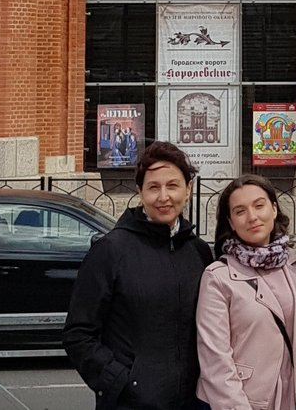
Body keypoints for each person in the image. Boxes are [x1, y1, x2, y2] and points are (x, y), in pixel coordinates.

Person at [64, 141, 213, 409]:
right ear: (140, 192)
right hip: (131, 403)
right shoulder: (111, 250)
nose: (163, 197)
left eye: (173, 185)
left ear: (188, 189)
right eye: (153, 187)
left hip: (193, 401)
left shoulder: (199, 252)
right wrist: (119, 382)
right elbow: (79, 333)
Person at [196, 174, 296, 410]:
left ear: (274, 209)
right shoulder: (218, 277)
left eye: (259, 205)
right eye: (240, 211)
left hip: (291, 398)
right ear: (231, 221)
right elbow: (215, 359)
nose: (252, 217)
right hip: (244, 400)